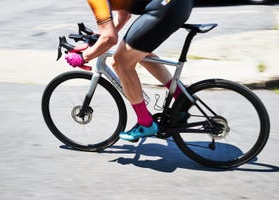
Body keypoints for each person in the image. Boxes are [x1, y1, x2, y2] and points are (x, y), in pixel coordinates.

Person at [65, 0, 193, 141]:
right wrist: (103, 36)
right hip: (180, 5)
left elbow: (110, 38)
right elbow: (124, 15)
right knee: (137, 52)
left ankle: (145, 123)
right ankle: (182, 98)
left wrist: (83, 57)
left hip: (164, 8)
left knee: (120, 62)